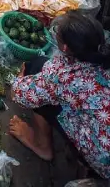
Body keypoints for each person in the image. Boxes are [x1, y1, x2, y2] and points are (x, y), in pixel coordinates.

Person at [10, 11, 110, 177]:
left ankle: (43, 147)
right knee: (43, 72)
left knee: (35, 75)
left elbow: (20, 95)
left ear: (64, 48)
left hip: (102, 159)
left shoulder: (64, 76)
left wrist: (20, 79)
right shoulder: (103, 58)